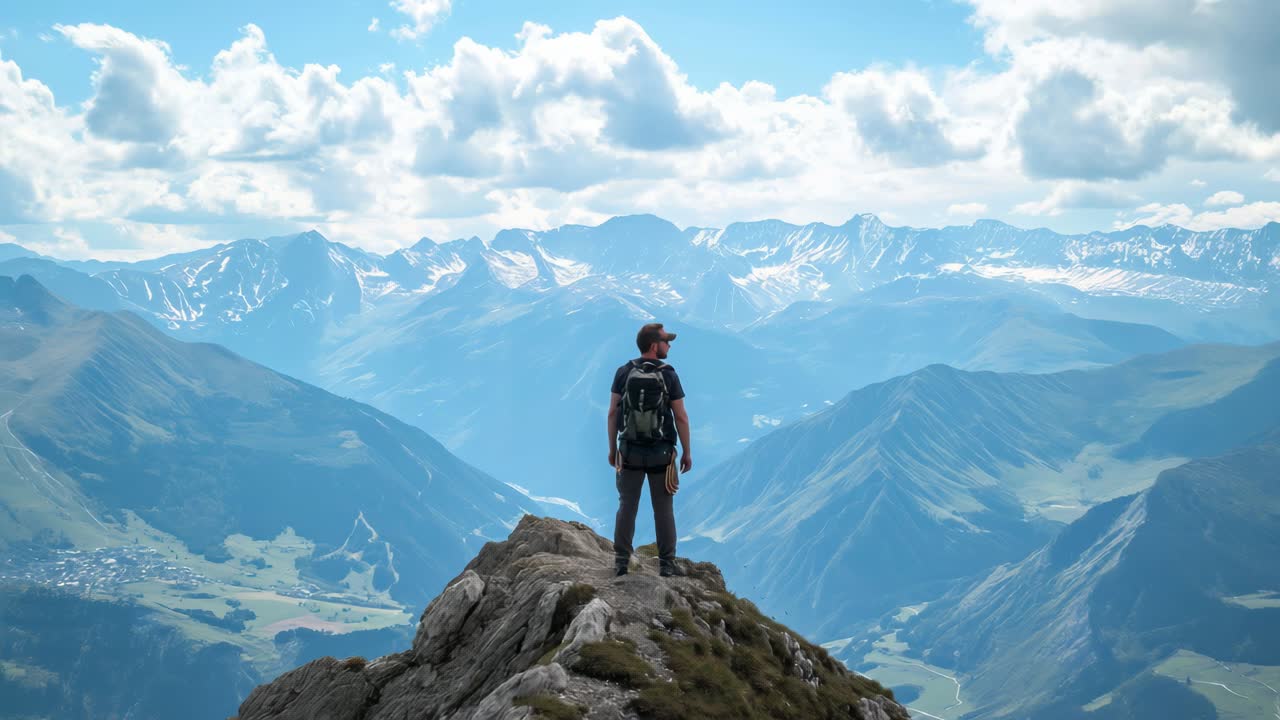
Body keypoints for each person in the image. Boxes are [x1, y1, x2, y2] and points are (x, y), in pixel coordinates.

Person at [608, 322, 692, 578]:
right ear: (655, 346)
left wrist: (613, 449)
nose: (669, 345)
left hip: (630, 450)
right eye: (666, 342)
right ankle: (667, 564)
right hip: (661, 454)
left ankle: (621, 562)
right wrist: (687, 451)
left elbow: (613, 413)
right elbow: (681, 417)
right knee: (663, 509)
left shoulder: (624, 372)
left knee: (627, 506)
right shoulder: (669, 375)